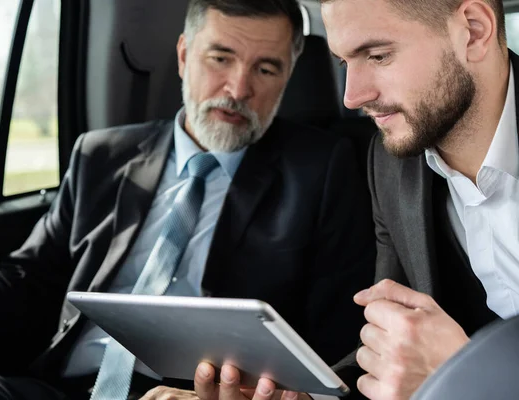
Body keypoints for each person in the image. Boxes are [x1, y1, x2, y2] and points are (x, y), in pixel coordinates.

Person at [0, 0, 376, 399]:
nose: (238, 89)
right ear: (183, 56)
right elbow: (35, 292)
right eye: (220, 58)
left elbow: (333, 341)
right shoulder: (101, 156)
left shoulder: (321, 171)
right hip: (56, 387)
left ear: (287, 77)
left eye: (265, 68)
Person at [192, 0, 519, 399]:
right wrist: (308, 397)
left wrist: (470, 381)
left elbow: (438, 374)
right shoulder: (390, 163)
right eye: (345, 63)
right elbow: (388, 354)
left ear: (473, 30)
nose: (352, 96)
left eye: (378, 56)